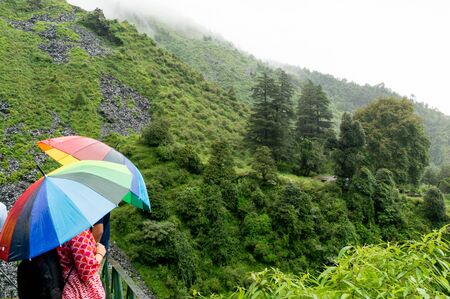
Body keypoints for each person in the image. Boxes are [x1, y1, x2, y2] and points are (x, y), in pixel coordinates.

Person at [56, 229, 106, 299]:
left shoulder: (61, 230)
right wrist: (100, 253)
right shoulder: (77, 232)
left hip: (69, 283)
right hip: (82, 288)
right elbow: (86, 270)